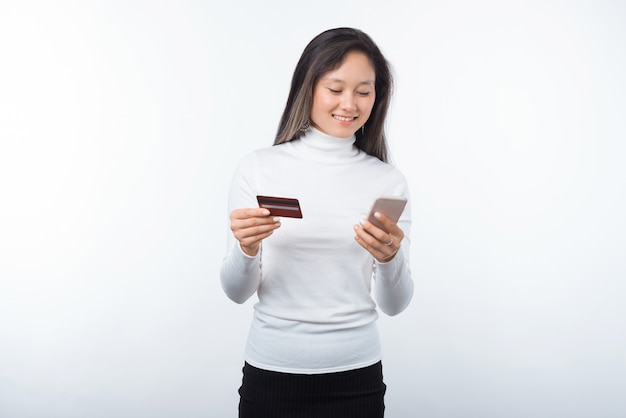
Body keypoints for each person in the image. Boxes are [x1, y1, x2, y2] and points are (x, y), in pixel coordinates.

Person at [220, 27, 414, 418]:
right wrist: (246, 249)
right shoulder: (259, 167)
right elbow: (236, 292)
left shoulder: (387, 181)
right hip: (271, 373)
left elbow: (394, 305)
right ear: (307, 88)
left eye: (364, 91)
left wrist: (391, 260)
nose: (350, 103)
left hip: (357, 378)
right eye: (335, 88)